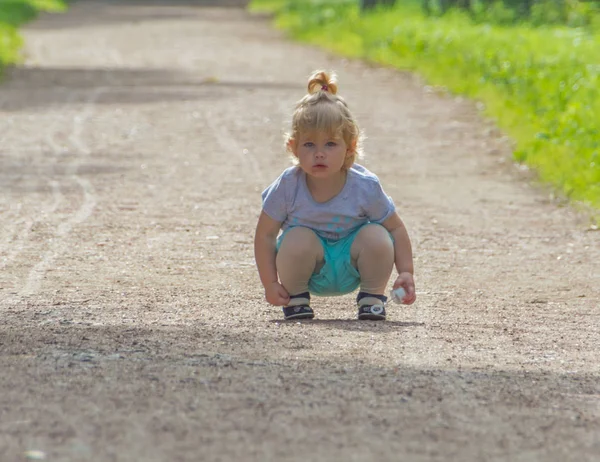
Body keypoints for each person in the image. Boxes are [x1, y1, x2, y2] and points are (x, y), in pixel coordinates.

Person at [254, 70, 416, 321]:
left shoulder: (364, 186)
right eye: (309, 144)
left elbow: (396, 229)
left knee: (377, 234)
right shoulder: (288, 186)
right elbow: (265, 234)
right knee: (296, 237)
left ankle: (372, 299)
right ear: (293, 147)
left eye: (330, 144)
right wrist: (269, 283)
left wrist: (406, 271)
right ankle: (296, 300)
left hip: (353, 264)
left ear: (350, 147)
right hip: (308, 266)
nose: (320, 154)